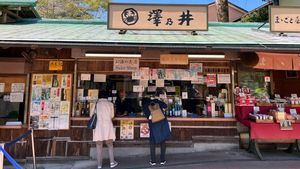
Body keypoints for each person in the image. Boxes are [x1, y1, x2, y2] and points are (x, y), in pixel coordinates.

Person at [142, 88, 171, 166]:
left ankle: (153, 161)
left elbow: (145, 113)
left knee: (152, 143)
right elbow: (165, 106)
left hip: (152, 124)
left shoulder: (146, 102)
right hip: (161, 123)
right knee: (162, 142)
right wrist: (163, 99)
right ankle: (162, 160)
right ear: (157, 95)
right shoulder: (158, 101)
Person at [93, 92, 118, 169]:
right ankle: (112, 162)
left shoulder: (96, 104)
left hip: (98, 126)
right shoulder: (110, 104)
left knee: (99, 145)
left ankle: (99, 165)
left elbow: (91, 115)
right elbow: (112, 116)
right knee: (110, 145)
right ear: (107, 97)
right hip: (108, 126)